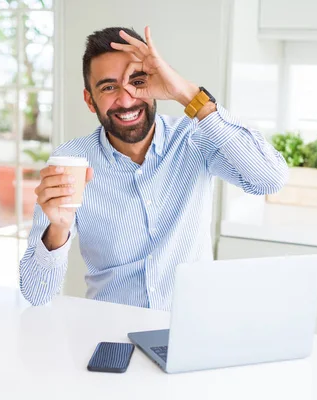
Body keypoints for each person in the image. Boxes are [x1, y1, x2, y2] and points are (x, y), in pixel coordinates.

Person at [19, 26, 288, 310]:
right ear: (90, 100)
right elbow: (37, 294)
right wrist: (58, 230)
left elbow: (269, 180)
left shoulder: (195, 138)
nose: (126, 100)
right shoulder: (71, 162)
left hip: (191, 329)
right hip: (111, 331)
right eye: (109, 87)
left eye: (137, 82)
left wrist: (186, 94)